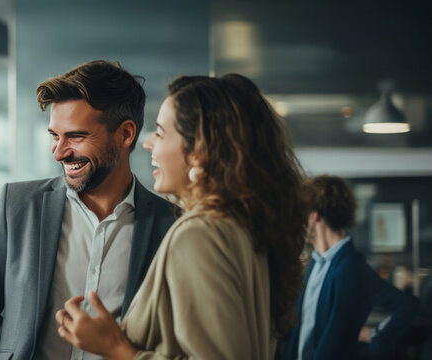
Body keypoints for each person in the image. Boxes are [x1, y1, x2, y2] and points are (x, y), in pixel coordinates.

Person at [55, 74, 308, 359]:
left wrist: (114, 347)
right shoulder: (242, 228)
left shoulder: (200, 235)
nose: (148, 143)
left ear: (199, 150)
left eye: (161, 132)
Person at [0, 60, 176, 360]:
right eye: (54, 136)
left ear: (125, 134)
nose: (59, 152)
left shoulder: (170, 225)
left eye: (76, 136)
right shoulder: (17, 205)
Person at [284, 175, 419, 360]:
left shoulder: (351, 266)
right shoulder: (316, 261)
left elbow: (408, 305)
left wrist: (374, 336)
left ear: (314, 215)